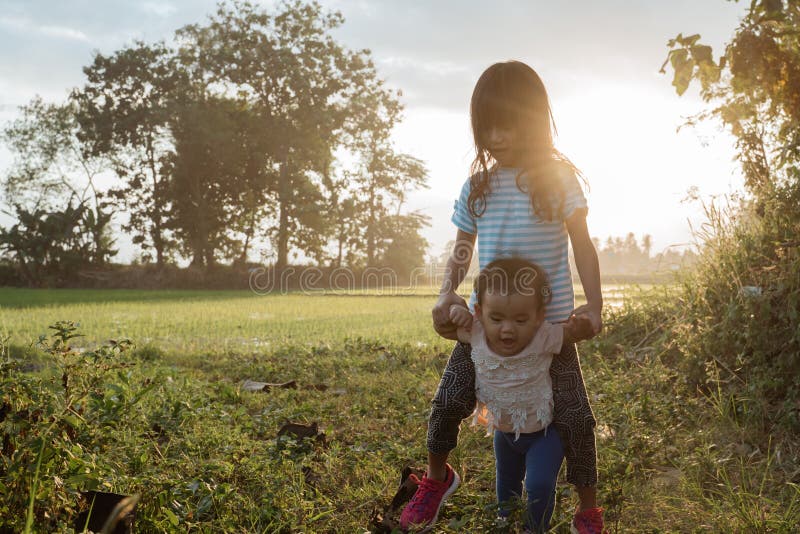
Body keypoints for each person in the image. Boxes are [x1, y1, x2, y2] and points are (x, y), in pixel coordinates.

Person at [399, 61, 605, 534]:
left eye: (506, 121)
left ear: (531, 118)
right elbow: (462, 249)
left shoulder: (556, 181)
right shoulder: (478, 188)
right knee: (448, 400)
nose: (494, 133)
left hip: (550, 329)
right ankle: (436, 480)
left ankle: (587, 509)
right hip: (488, 328)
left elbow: (582, 244)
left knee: (575, 418)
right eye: (485, 123)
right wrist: (446, 293)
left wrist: (593, 306)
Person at [445, 258, 593, 532]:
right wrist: (456, 310)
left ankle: (535, 528)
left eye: (521, 319)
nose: (508, 328)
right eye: (497, 318)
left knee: (539, 485)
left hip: (544, 434)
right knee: (507, 485)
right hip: (504, 434)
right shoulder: (476, 332)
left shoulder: (543, 336)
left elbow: (575, 332)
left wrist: (583, 324)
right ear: (479, 312)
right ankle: (506, 522)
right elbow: (445, 323)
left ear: (538, 317)